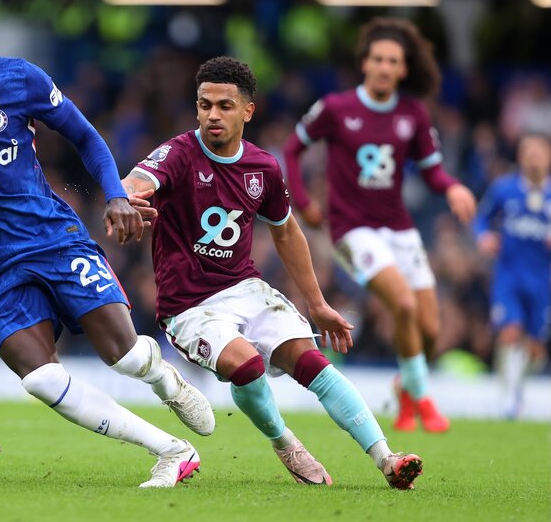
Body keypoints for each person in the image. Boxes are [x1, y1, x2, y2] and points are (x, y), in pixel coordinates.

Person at [0, 0, 215, 488]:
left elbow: (85, 136)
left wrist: (115, 195)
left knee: (124, 355)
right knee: (40, 378)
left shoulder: (20, 78)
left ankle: (164, 379)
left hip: (54, 240)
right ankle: (170, 450)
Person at [122, 56, 423, 490]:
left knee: (312, 362)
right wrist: (124, 199)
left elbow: (286, 232)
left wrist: (317, 304)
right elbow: (136, 181)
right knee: (246, 366)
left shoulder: (263, 167)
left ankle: (386, 458)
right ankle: (286, 443)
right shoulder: (178, 154)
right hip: (189, 306)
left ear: (248, 111)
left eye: (225, 106)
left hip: (245, 288)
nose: (212, 115)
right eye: (204, 105)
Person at [283, 17, 477, 433]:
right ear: (365, 63)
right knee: (403, 305)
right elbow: (293, 148)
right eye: (378, 59)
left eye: (393, 61)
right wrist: (303, 201)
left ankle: (406, 389)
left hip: (399, 229)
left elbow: (432, 170)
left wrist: (453, 187)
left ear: (404, 69)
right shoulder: (336, 108)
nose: (385, 67)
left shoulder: (413, 114)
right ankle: (423, 398)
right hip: (352, 230)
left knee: (430, 329)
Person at [474, 133, 551, 419]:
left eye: (538, 153)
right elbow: (481, 218)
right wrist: (483, 236)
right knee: (509, 332)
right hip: (509, 276)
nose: (533, 158)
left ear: (548, 157)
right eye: (528, 152)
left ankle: (517, 391)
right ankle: (507, 400)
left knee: (536, 351)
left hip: (543, 281)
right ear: (520, 156)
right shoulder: (504, 189)